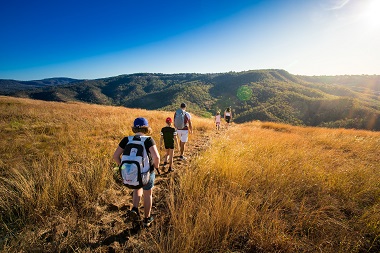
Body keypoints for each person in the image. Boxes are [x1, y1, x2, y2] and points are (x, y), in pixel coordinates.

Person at [112, 117, 160, 227]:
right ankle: (147, 219)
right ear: (146, 128)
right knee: (148, 194)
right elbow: (156, 157)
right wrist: (156, 167)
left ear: (134, 128)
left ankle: (134, 208)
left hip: (133, 173)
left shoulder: (126, 139)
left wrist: (124, 169)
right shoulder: (148, 140)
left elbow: (115, 156)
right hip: (147, 172)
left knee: (137, 188)